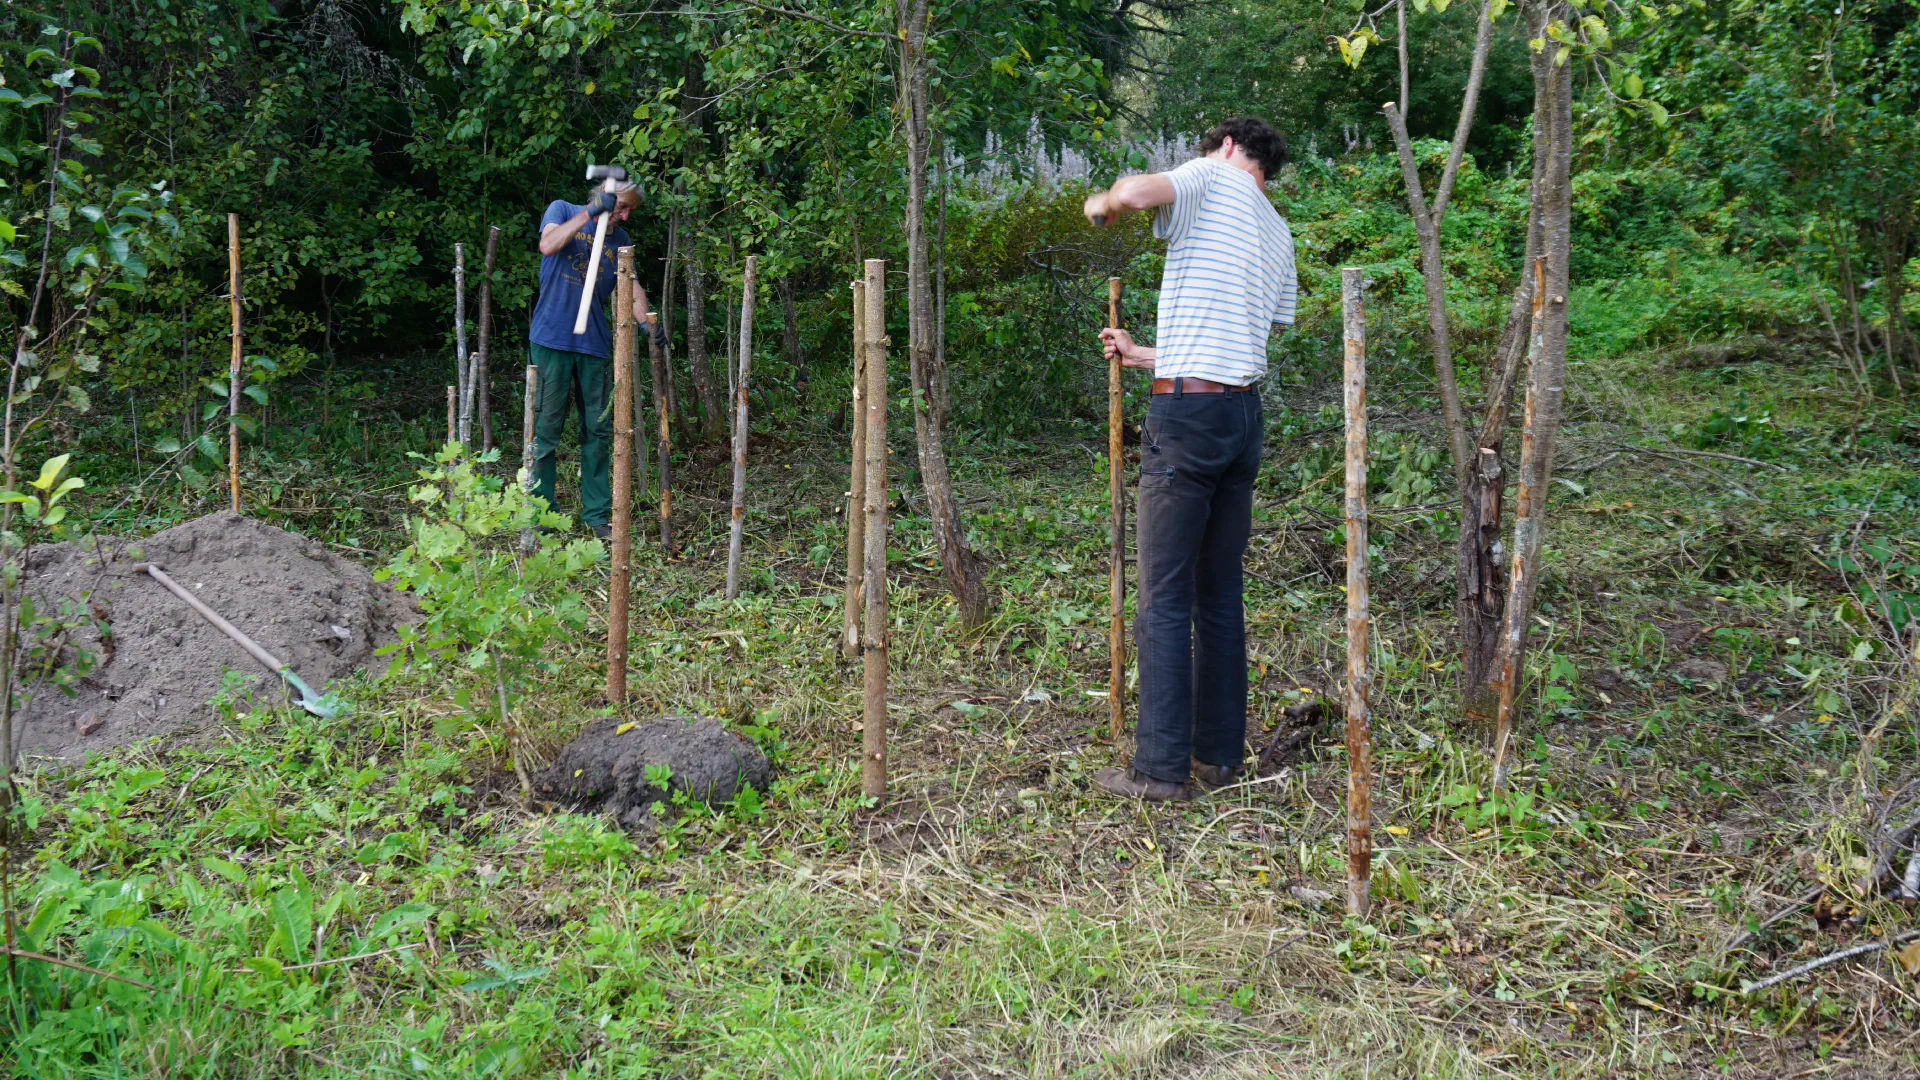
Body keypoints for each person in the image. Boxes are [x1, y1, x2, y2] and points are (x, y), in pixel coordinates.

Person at [1083, 117, 1297, 801]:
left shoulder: (1213, 175)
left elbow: (1144, 193)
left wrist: (1108, 200)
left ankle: (1159, 770)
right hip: (1239, 416)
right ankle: (1217, 757)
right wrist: (1148, 355)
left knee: (1165, 596)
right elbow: (1239, 332)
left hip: (1188, 419)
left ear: (1231, 148)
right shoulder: (1276, 229)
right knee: (1218, 593)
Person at [530, 179, 654, 540]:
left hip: (595, 347)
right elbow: (548, 244)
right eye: (621, 205)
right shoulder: (564, 210)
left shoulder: (621, 241)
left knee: (598, 433)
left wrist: (648, 324)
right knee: (545, 432)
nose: (625, 214)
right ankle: (542, 516)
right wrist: (591, 211)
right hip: (551, 338)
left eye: (630, 209)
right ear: (605, 196)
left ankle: (597, 516)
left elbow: (629, 287)